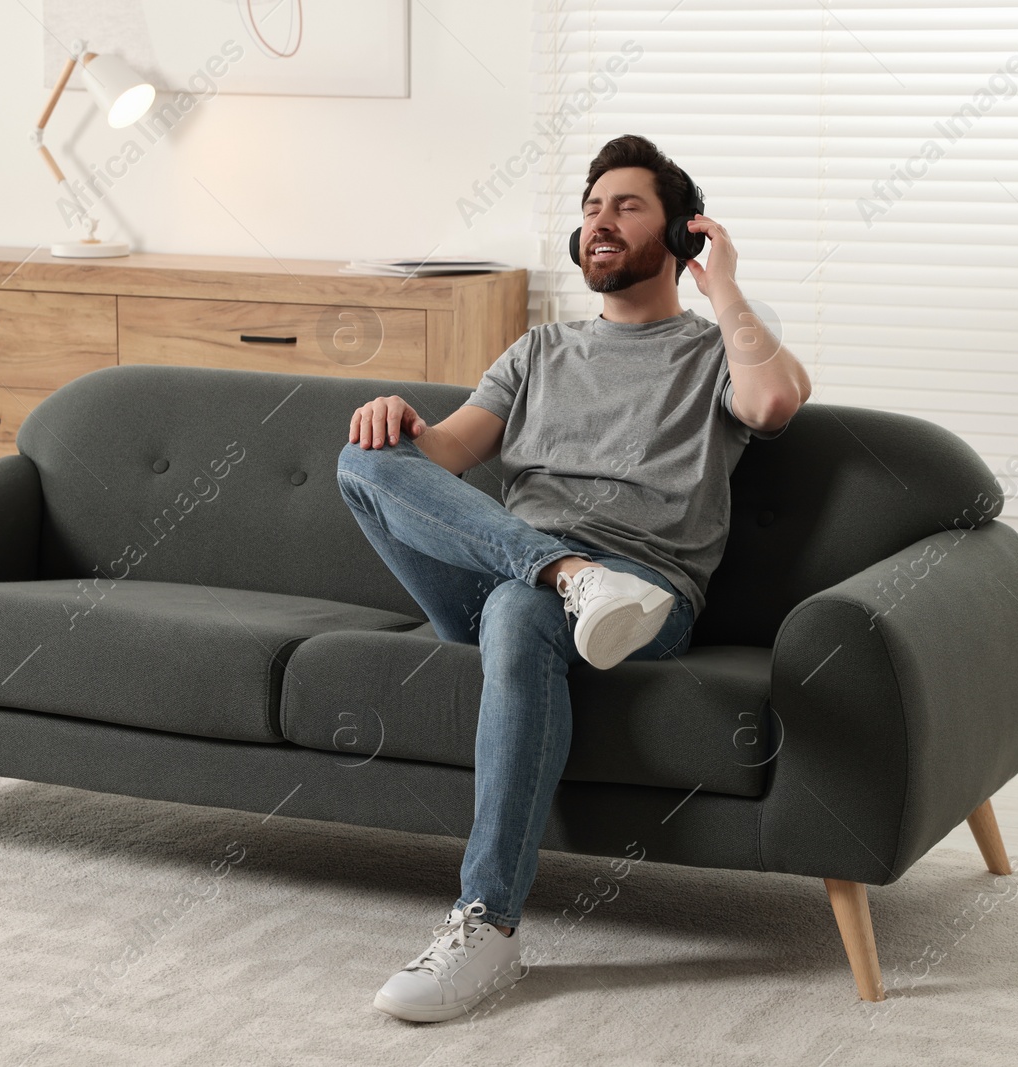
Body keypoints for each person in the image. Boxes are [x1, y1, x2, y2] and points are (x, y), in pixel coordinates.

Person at [335, 134, 811, 1023]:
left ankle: (488, 924)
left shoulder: (717, 353)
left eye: (626, 206)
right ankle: (566, 571)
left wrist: (726, 284)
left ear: (682, 236)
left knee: (521, 608)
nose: (600, 222)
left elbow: (773, 402)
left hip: (644, 595)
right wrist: (397, 423)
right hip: (518, 568)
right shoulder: (538, 352)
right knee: (362, 462)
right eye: (591, 208)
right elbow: (439, 460)